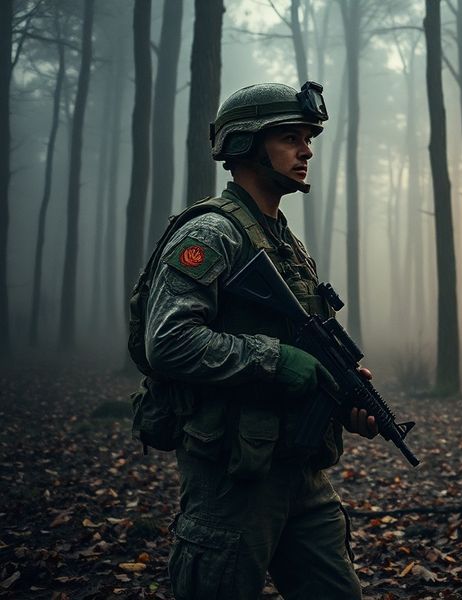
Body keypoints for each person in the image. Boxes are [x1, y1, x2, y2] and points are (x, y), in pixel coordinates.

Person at [144, 81, 376, 600]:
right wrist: (277, 359)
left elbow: (303, 346)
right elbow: (170, 341)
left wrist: (339, 395)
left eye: (309, 137)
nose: (307, 149)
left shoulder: (286, 242)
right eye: (291, 137)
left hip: (301, 470)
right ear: (246, 144)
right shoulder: (210, 234)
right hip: (234, 476)